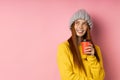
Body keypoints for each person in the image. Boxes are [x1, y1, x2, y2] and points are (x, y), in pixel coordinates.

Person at [57, 9, 105, 80]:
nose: (80, 27)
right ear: (73, 26)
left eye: (84, 23)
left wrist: (92, 56)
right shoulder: (64, 47)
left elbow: (100, 77)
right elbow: (66, 77)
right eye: (77, 23)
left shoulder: (96, 49)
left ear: (88, 27)